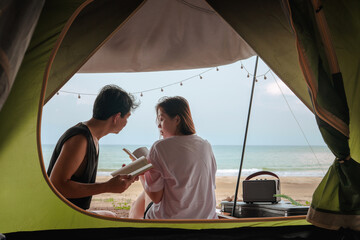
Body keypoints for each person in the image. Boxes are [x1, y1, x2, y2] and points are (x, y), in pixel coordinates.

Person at [47, 85, 138, 217]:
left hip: (75, 213)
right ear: (117, 117)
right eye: (127, 117)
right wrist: (107, 187)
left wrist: (117, 182)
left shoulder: (92, 137)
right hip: (62, 217)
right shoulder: (80, 139)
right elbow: (57, 185)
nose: (126, 122)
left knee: (111, 216)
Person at [129, 96, 217, 219]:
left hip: (171, 220)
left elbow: (156, 197)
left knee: (137, 205)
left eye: (161, 119)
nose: (159, 125)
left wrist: (143, 172)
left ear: (177, 120)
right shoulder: (205, 145)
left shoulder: (160, 147)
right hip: (206, 218)